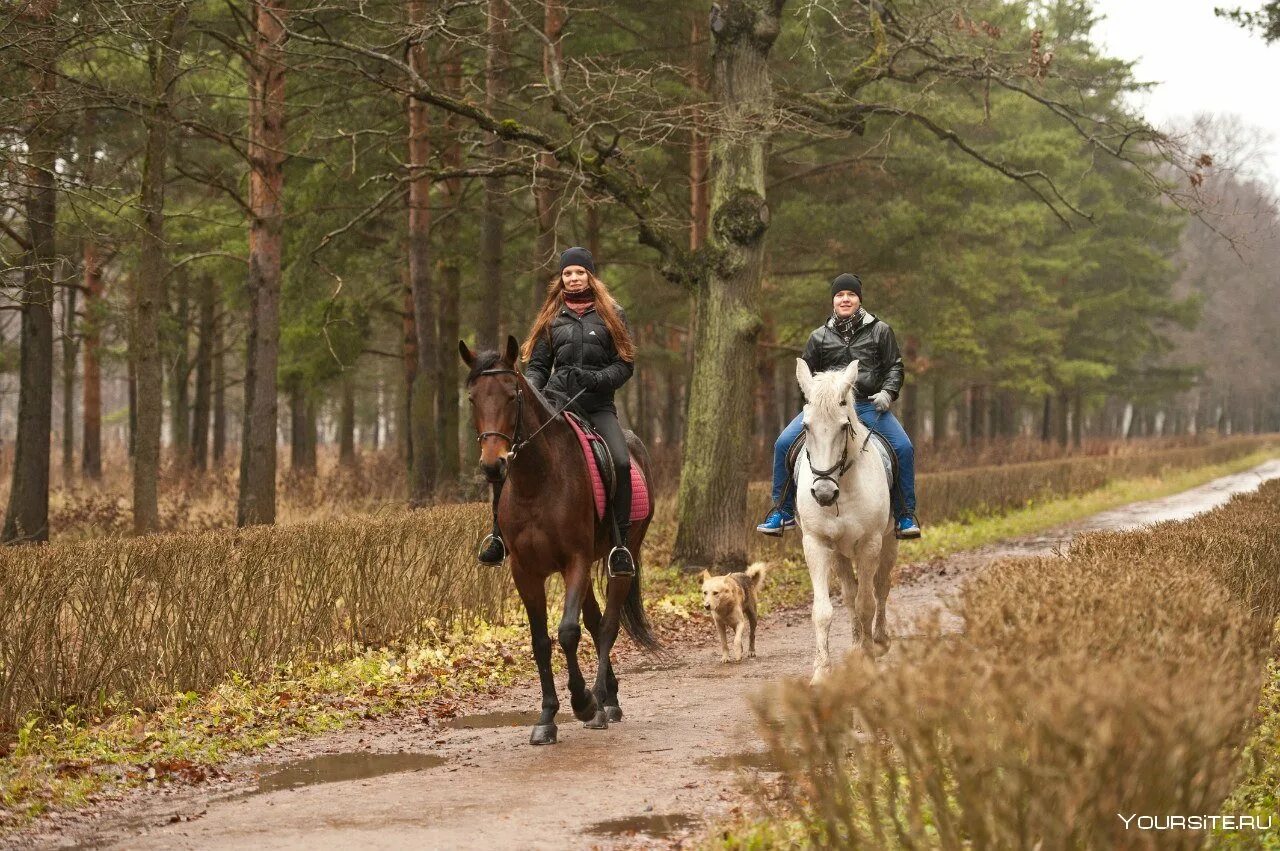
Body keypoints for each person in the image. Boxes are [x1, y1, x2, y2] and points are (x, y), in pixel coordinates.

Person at [478, 246, 640, 575]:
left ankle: (619, 545)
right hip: (555, 403)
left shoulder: (612, 314)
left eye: (580, 272)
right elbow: (537, 366)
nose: (574, 278)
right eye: (568, 273)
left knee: (621, 463)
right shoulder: (551, 318)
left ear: (590, 275)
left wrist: (594, 379)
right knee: (511, 457)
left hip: (597, 406)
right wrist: (534, 391)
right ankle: (498, 536)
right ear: (561, 279)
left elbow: (624, 365)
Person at [756, 272, 921, 539]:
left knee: (903, 448)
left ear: (859, 299)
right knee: (783, 444)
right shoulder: (818, 337)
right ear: (833, 301)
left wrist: (888, 393)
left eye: (851, 294)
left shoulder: (880, 331)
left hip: (869, 406)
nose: (845, 299)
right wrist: (815, 403)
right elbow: (806, 376)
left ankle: (904, 515)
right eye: (840, 295)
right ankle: (782, 512)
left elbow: (895, 368)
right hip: (827, 409)